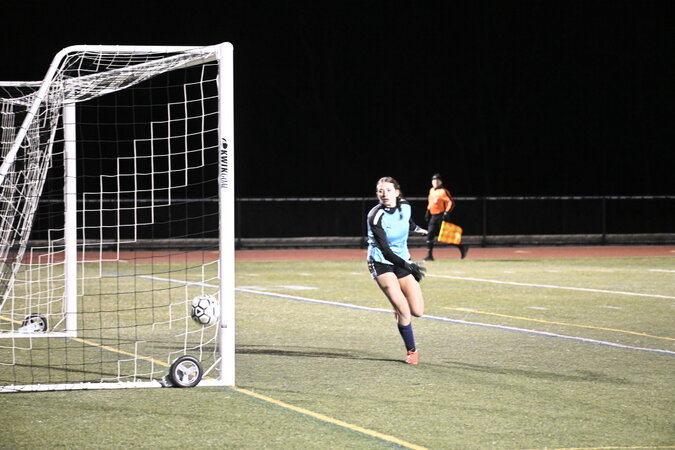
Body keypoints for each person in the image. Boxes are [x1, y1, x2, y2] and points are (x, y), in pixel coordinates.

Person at [366, 176, 428, 365]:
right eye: (380, 191)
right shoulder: (375, 216)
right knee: (404, 311)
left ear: (397, 192)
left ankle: (397, 306)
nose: (384, 194)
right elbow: (385, 251)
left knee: (418, 311)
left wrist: (422, 230)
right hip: (381, 262)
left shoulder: (406, 206)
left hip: (402, 260)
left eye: (388, 190)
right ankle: (412, 351)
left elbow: (408, 223)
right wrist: (408, 265)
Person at [424, 173, 469, 260]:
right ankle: (429, 256)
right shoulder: (431, 190)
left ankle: (462, 246)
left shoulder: (443, 191)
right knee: (430, 234)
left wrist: (446, 212)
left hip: (441, 216)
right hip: (433, 216)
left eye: (437, 181)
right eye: (434, 181)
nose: (435, 182)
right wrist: (428, 211)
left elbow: (451, 202)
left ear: (441, 182)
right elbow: (431, 202)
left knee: (446, 236)